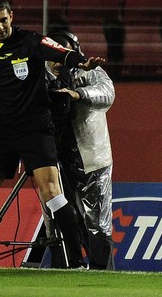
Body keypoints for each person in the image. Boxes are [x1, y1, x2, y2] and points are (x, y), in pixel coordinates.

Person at [0, 0, 105, 268]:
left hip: (35, 129)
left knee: (53, 193)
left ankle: (77, 262)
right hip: (2, 131)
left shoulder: (31, 41)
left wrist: (81, 62)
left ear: (12, 16)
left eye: (4, 19)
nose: (0, 26)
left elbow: (60, 52)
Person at [45, 30, 116, 270]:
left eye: (62, 54)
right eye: (53, 54)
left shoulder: (90, 71)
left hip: (91, 158)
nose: (57, 61)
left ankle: (102, 274)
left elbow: (108, 94)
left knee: (97, 222)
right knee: (61, 219)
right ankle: (65, 268)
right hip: (53, 159)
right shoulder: (40, 73)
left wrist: (77, 94)